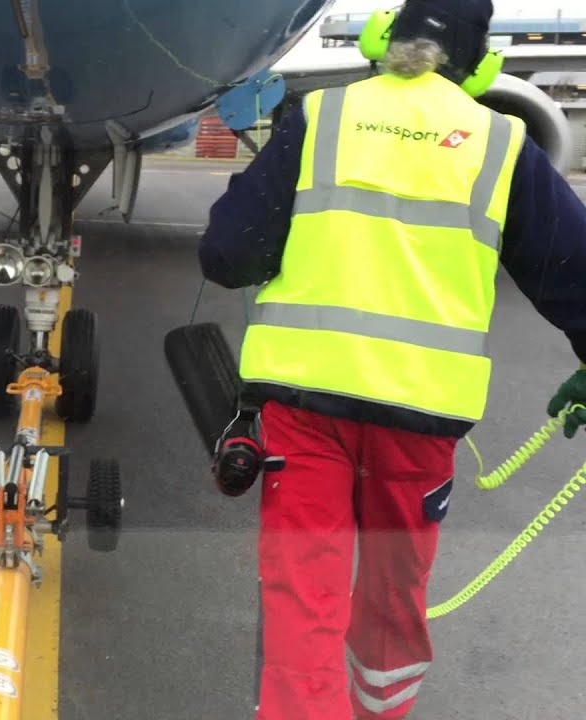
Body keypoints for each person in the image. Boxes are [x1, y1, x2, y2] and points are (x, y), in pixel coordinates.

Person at [196, 0, 586, 718]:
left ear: (383, 37)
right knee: (393, 596)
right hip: (421, 420)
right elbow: (573, 269)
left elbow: (227, 256)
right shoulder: (501, 142)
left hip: (304, 410)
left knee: (303, 603)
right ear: (481, 64)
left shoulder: (321, 118)